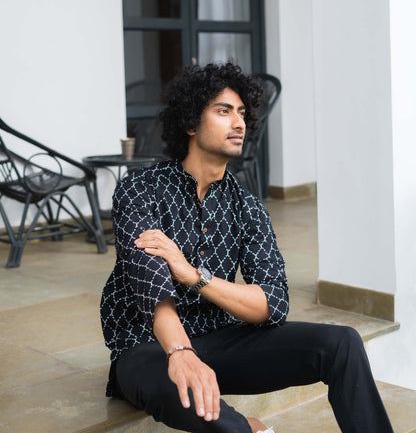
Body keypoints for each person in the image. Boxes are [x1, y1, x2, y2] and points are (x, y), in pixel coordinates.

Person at [100, 62, 394, 433]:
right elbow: (152, 286)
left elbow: (273, 305)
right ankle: (250, 429)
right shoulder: (141, 189)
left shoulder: (247, 207)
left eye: (241, 113)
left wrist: (195, 275)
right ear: (191, 123)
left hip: (219, 341)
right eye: (223, 111)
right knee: (205, 407)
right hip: (147, 348)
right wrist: (181, 352)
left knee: (342, 343)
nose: (238, 123)